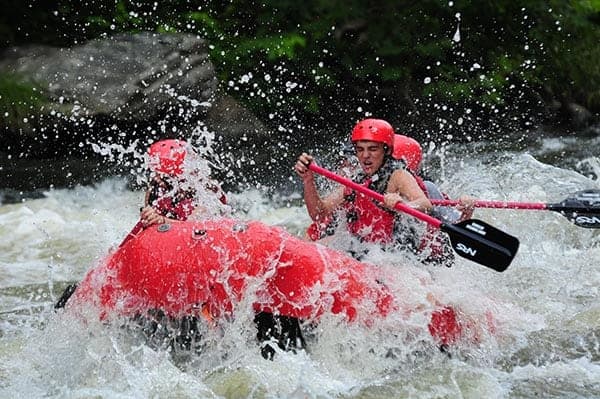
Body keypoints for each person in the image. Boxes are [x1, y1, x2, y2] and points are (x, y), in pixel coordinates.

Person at [295, 118, 433, 258]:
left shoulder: (398, 175)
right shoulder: (356, 181)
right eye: (360, 149)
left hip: (394, 255)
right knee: (316, 245)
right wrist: (308, 181)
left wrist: (405, 205)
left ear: (386, 150)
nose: (365, 155)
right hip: (364, 249)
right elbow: (319, 214)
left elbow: (425, 204)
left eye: (373, 149)